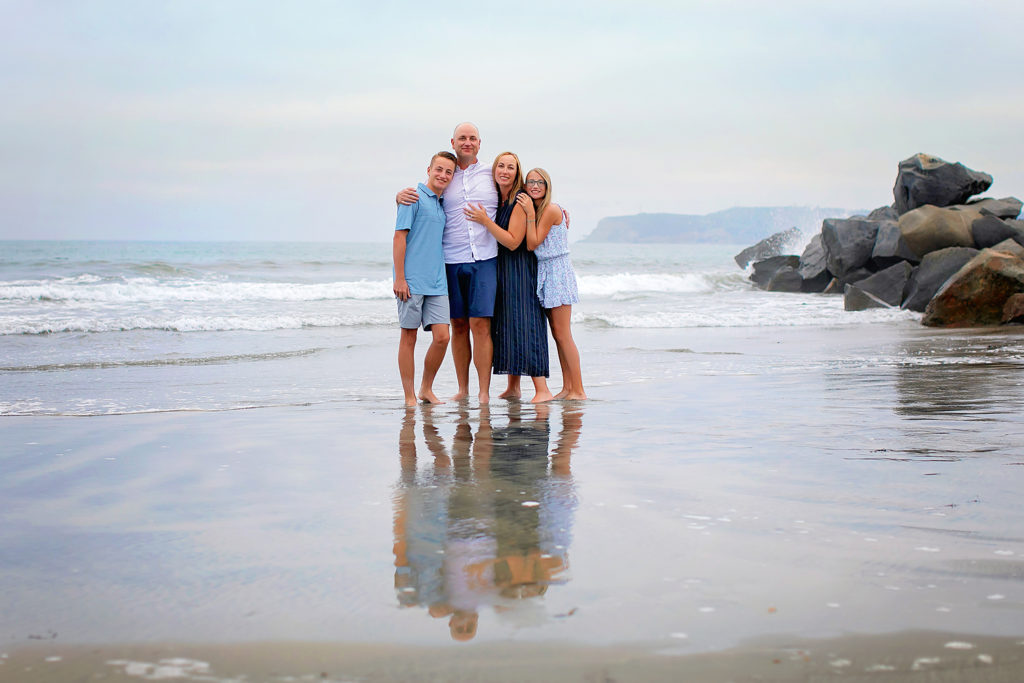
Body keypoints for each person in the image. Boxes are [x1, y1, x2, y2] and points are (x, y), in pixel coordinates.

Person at [398, 123, 498, 404]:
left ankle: (483, 392)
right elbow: (421, 201)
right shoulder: (444, 178)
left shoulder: (491, 173)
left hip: (485, 259)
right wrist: (399, 196)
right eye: (462, 138)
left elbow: (520, 191)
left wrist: (554, 208)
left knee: (480, 325)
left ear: (480, 142)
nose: (467, 142)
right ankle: (462, 390)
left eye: (472, 138)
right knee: (458, 326)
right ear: (453, 142)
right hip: (450, 261)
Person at [463, 152, 554, 403]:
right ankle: (513, 387)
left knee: (527, 323)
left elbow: (514, 242)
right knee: (508, 326)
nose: (504, 170)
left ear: (518, 173)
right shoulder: (500, 199)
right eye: (500, 166)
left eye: (510, 167)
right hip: (502, 269)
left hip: (520, 269)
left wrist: (484, 221)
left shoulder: (518, 201)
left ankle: (542, 389)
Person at [393, 151, 457, 406]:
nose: (442, 175)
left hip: (438, 282)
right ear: (428, 169)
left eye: (448, 172)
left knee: (443, 337)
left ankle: (426, 389)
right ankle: (409, 396)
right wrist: (400, 278)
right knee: (409, 337)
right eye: (438, 169)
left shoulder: (442, 204)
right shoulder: (412, 198)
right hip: (411, 281)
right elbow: (399, 238)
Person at [523, 168, 587, 400]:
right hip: (546, 272)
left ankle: (578, 389)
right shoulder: (542, 210)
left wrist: (529, 212)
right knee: (557, 334)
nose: (535, 185)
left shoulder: (548, 210)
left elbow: (532, 243)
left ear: (547, 186)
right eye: (530, 182)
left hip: (557, 272)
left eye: (540, 182)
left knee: (563, 334)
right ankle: (567, 387)